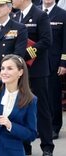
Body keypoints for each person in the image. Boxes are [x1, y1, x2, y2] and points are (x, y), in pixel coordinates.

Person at [12, 0, 54, 156]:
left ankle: (47, 145)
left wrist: (24, 54)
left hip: (36, 69)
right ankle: (25, 144)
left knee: (42, 107)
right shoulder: (15, 16)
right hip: (20, 71)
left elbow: (46, 41)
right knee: (21, 106)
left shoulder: (40, 15)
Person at [42, 0, 66, 139]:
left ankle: (54, 127)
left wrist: (63, 62)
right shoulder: (36, 12)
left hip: (54, 62)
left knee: (53, 96)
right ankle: (42, 127)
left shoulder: (62, 14)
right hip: (36, 62)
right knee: (39, 96)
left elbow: (65, 42)